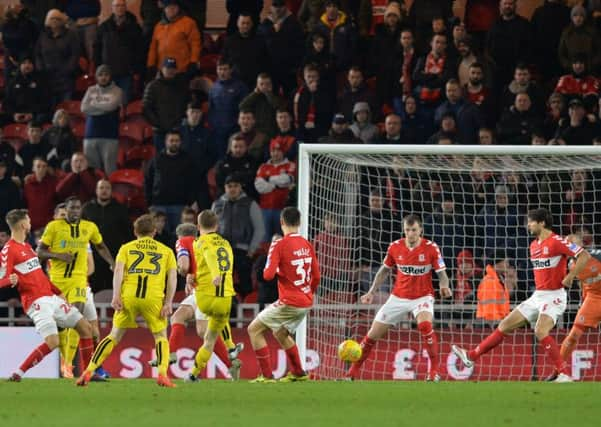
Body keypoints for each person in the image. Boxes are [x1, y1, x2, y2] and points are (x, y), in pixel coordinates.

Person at [452, 208, 591, 383]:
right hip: (538, 296)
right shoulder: (533, 245)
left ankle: (563, 374)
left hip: (554, 296)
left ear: (542, 223)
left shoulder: (557, 242)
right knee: (504, 325)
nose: (528, 225)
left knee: (540, 330)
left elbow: (584, 255)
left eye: (531, 221)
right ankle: (471, 356)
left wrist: (571, 276)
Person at [77, 214, 177, 387]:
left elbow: (118, 271)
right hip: (153, 297)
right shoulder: (166, 251)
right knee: (161, 336)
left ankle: (88, 371)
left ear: (135, 231)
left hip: (129, 296)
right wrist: (168, 302)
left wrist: (116, 295)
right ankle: (162, 375)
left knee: (114, 335)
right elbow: (172, 278)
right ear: (154, 232)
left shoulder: (126, 248)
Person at [347, 214, 451, 381]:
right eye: (407, 230)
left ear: (421, 230)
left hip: (422, 297)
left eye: (414, 230)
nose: (410, 234)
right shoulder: (395, 247)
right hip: (398, 298)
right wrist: (371, 292)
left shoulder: (431, 248)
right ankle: (350, 374)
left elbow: (442, 274)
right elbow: (383, 272)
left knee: (425, 326)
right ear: (404, 230)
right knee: (372, 335)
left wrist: (444, 285)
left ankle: (434, 373)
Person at [1, 209, 94, 382]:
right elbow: (2, 279)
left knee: (85, 328)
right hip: (35, 302)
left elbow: (40, 276)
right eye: (28, 220)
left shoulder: (27, 247)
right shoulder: (9, 250)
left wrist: (58, 292)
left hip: (51, 298)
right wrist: (10, 280)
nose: (30, 223)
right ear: (23, 225)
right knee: (53, 342)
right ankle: (18, 374)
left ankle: (88, 374)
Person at [148, 223, 244, 380]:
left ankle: (230, 364)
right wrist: (191, 276)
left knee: (204, 332)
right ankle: (170, 354)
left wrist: (182, 271)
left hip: (204, 292)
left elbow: (184, 266)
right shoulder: (203, 242)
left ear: (179, 236)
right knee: (178, 317)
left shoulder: (182, 242)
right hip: (202, 290)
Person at [37, 196, 115, 378]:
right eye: (71, 208)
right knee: (69, 324)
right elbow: (39, 252)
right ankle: (70, 362)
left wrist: (111, 262)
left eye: (77, 208)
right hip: (57, 283)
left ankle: (72, 366)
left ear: (81, 210)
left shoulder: (89, 228)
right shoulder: (54, 227)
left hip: (80, 281)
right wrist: (58, 255)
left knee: (78, 318)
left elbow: (101, 246)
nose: (74, 211)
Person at [248, 207, 320, 382]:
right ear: (299, 223)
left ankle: (266, 376)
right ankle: (298, 373)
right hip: (306, 300)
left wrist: (279, 269)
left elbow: (267, 275)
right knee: (280, 333)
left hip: (290, 300)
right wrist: (309, 293)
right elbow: (317, 276)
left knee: (254, 330)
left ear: (281, 222)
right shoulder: (307, 244)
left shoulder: (279, 244)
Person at [185, 210, 235, 382]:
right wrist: (218, 275)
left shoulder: (200, 241)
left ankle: (193, 374)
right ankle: (231, 347)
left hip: (205, 297)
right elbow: (223, 264)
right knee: (216, 328)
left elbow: (209, 256)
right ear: (217, 226)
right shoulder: (226, 243)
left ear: (198, 227)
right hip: (225, 296)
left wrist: (197, 277)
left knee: (209, 338)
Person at [212, 174, 265, 297]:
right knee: (223, 283)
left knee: (245, 284)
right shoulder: (217, 204)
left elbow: (260, 229)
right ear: (225, 188)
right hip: (222, 251)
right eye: (229, 186)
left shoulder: (250, 204)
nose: (232, 189)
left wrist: (251, 250)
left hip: (243, 251)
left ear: (241, 187)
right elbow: (212, 229)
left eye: (235, 186)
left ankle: (247, 312)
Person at [558, 233, 601, 373]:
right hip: (593, 298)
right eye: (567, 244)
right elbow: (584, 284)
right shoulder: (571, 264)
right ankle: (557, 371)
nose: (570, 246)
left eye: (572, 243)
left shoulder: (596, 255)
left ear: (581, 244)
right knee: (573, 336)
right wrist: (583, 300)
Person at [81, 64, 123, 176]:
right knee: (92, 172)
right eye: (100, 75)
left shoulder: (117, 91)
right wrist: (104, 108)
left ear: (110, 76)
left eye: (106, 75)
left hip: (110, 135)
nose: (103, 77)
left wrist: (94, 104)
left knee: (110, 171)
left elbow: (111, 106)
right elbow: (84, 108)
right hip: (90, 135)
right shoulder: (90, 90)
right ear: (96, 77)